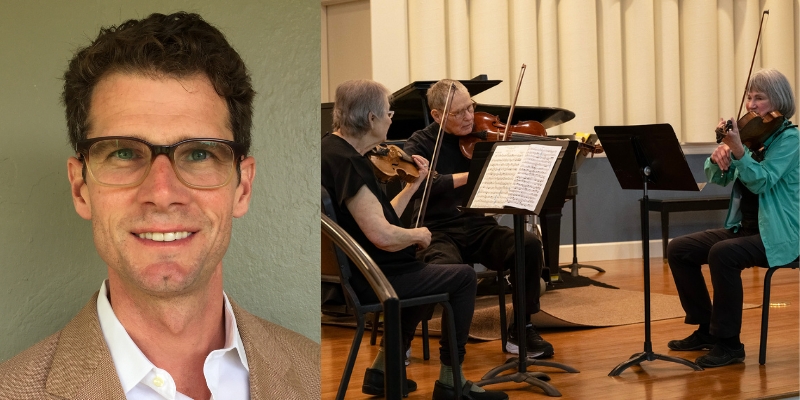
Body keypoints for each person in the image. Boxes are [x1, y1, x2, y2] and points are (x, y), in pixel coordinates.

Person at [0, 12, 318, 398]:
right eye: (123, 152)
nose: (162, 192)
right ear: (81, 187)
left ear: (243, 187)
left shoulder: (314, 373)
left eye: (199, 154)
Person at [322, 79, 508, 400]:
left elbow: (380, 217)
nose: (392, 119)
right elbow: (382, 235)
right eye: (388, 113)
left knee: (432, 274)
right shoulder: (349, 163)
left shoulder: (333, 150)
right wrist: (418, 234)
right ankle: (451, 380)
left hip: (361, 271)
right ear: (371, 119)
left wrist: (412, 186)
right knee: (462, 278)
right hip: (375, 277)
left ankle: (383, 371)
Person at [403, 79, 554, 358]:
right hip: (437, 229)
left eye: (470, 107)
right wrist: (470, 176)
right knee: (445, 269)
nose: (469, 117)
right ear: (437, 115)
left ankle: (521, 329)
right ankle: (407, 338)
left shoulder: (484, 137)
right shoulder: (420, 143)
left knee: (529, 245)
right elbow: (420, 185)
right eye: (458, 113)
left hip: (478, 225)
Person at [666, 68, 799, 368]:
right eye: (749, 97)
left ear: (778, 101)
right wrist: (718, 159)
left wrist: (738, 150)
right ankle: (706, 329)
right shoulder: (753, 138)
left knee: (723, 254)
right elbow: (719, 178)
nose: (751, 105)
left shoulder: (790, 141)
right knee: (680, 249)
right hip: (747, 228)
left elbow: (762, 180)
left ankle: (729, 344)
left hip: (780, 234)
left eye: (759, 98)